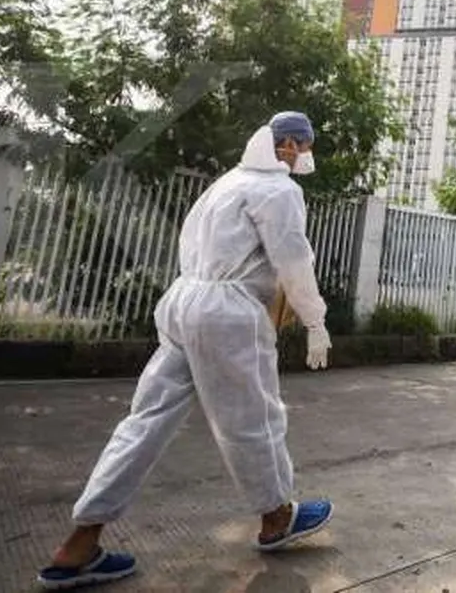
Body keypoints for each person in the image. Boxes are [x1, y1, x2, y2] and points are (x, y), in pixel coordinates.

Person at [36, 112, 336, 590]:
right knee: (253, 418)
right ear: (289, 145)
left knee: (144, 420)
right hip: (227, 312)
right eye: (304, 145)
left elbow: (191, 242)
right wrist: (316, 320)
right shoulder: (280, 191)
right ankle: (277, 517)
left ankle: (78, 545)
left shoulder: (227, 182)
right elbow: (293, 260)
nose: (305, 154)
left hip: (182, 300)